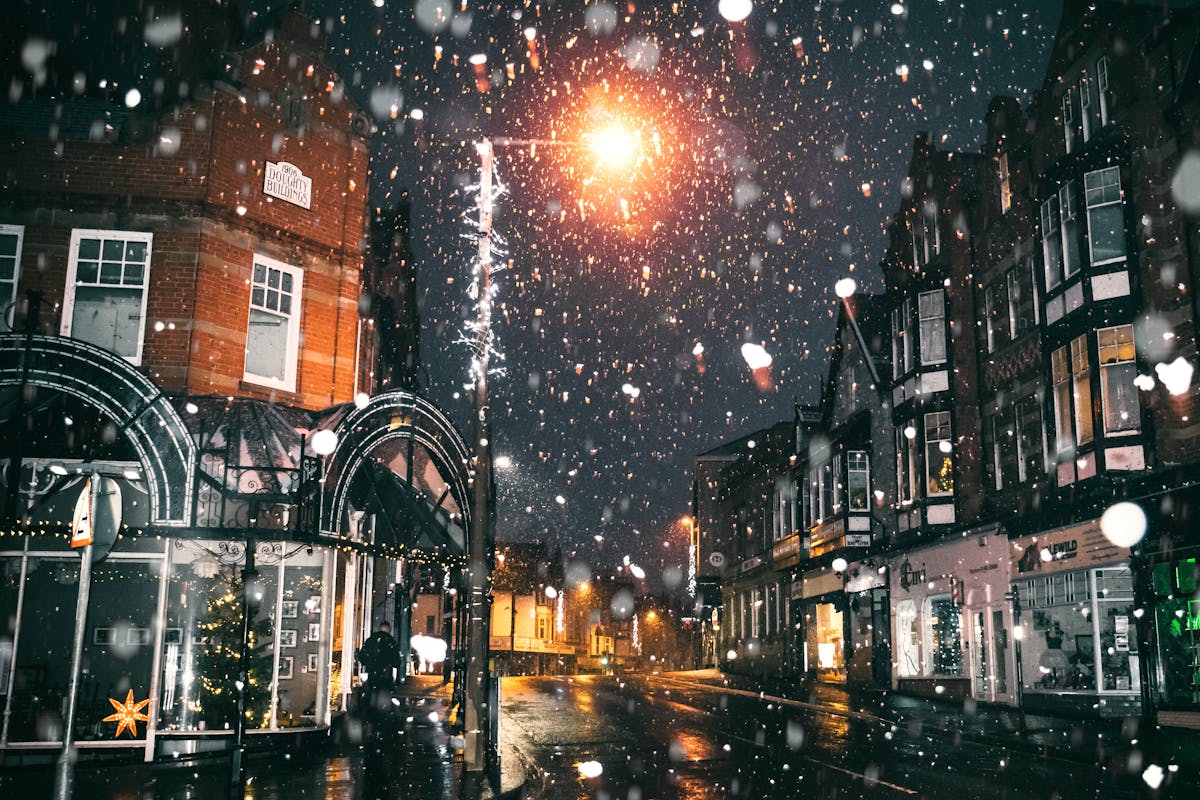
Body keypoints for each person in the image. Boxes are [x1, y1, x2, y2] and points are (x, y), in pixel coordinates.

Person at [356, 621, 402, 704]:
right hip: (385, 677)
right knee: (383, 702)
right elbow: (396, 662)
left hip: (372, 675)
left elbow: (362, 657)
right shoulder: (391, 642)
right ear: (389, 630)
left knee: (371, 698)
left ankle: (370, 710)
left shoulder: (370, 640)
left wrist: (370, 663)